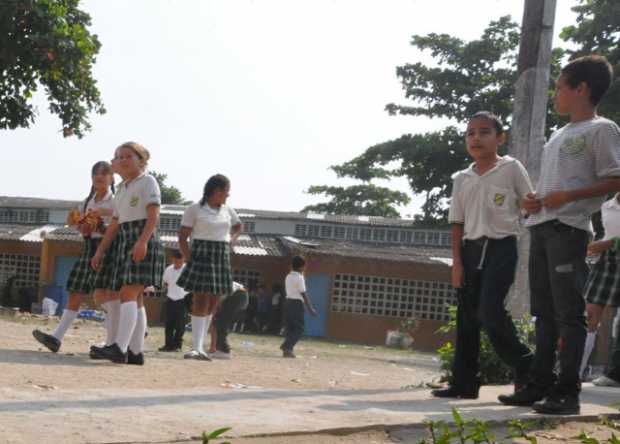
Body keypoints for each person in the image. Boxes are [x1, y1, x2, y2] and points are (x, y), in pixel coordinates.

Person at [499, 55, 620, 414]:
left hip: (569, 230)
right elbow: (556, 183)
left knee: (569, 313)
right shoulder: (559, 134)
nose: (556, 94)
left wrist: (567, 197)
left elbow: (615, 178)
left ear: (581, 89)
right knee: (544, 312)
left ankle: (568, 391)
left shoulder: (602, 129)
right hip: (542, 227)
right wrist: (536, 200)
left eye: (560, 87)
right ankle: (540, 384)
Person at [431, 111, 535, 400]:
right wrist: (457, 262)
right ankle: (464, 383)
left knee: (489, 311)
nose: (476, 138)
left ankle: (527, 365)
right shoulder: (462, 178)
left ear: (500, 137)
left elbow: (528, 203)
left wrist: (535, 203)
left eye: (484, 132)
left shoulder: (512, 168)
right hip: (469, 249)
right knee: (466, 318)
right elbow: (457, 222)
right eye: (471, 133)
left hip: (501, 247)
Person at [91, 142, 166, 365]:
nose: (122, 159)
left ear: (141, 160)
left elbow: (154, 216)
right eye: (118, 156)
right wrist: (100, 251)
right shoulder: (122, 188)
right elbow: (115, 222)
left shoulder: (148, 181)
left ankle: (119, 348)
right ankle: (135, 352)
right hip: (125, 239)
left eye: (128, 156)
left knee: (127, 293)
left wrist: (142, 242)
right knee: (137, 298)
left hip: (142, 239)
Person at [33, 161, 115, 353]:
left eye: (104, 173)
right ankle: (56, 337)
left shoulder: (115, 202)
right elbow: (83, 229)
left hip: (107, 249)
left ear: (112, 178)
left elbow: (118, 227)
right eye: (95, 173)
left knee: (103, 296)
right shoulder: (87, 202)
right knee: (76, 291)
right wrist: (81, 226)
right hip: (88, 246)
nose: (99, 177)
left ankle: (122, 336)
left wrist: (101, 222)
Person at [177, 174, 242, 360]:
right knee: (200, 300)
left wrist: (232, 240)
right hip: (201, 254)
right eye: (225, 192)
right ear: (215, 191)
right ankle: (196, 347)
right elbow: (182, 237)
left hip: (221, 255)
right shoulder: (195, 209)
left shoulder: (228, 210)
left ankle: (201, 347)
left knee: (213, 302)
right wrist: (190, 258)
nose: (227, 196)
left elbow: (238, 226)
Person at [579, 193, 620, 386]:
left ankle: (614, 373)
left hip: (610, 250)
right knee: (590, 314)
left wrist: (610, 243)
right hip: (608, 262)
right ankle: (574, 371)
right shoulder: (606, 205)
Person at [280, 256, 317, 358]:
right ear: (302, 267)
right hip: (296, 304)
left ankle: (288, 351)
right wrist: (310, 308)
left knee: (290, 328)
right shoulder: (299, 278)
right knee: (299, 329)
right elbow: (303, 293)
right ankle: (286, 347)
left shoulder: (288, 276)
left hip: (287, 303)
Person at [208, 281, 248, 359]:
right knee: (220, 321)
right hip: (241, 295)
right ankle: (219, 349)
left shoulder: (212, 285)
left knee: (220, 322)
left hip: (237, 295)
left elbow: (218, 301)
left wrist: (212, 315)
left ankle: (224, 351)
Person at [159, 250, 188, 352]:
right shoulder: (168, 269)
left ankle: (177, 346)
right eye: (176, 261)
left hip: (183, 299)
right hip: (170, 299)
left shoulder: (186, 269)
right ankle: (168, 345)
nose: (178, 264)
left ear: (183, 259)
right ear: (173, 259)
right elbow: (165, 283)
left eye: (180, 261)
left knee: (180, 325)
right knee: (169, 324)